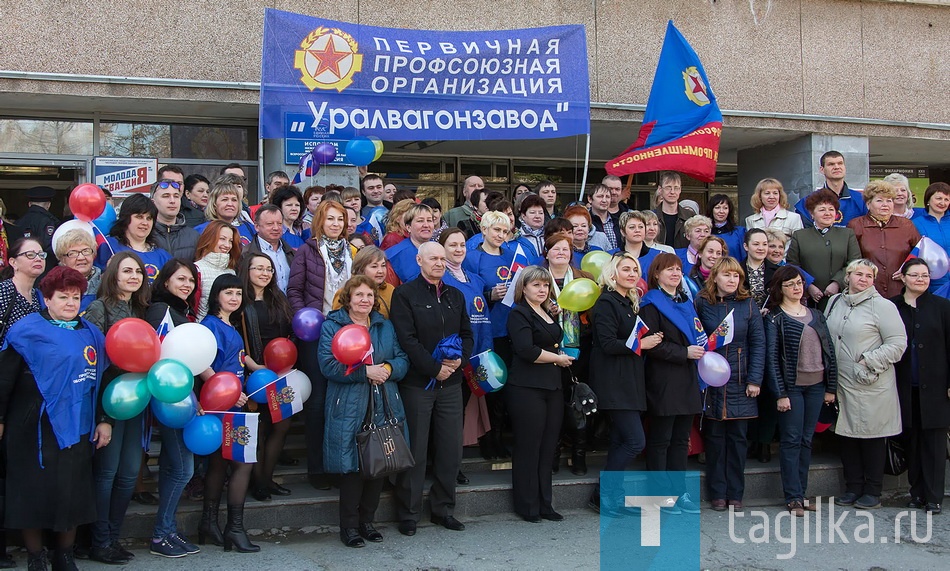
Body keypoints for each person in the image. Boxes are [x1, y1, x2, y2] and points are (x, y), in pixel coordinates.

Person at [0, 266, 110, 571]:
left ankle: (65, 555)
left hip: (78, 425)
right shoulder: (26, 330)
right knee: (31, 492)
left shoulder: (90, 333)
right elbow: (5, 378)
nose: (71, 303)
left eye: (76, 297)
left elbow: (101, 379)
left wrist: (104, 419)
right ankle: (37, 558)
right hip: (32, 424)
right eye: (63, 297)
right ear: (46, 299)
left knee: (71, 492)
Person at [319, 275, 409, 547]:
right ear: (348, 297)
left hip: (383, 400)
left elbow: (402, 359)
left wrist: (387, 370)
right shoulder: (333, 325)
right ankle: (349, 527)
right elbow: (328, 365)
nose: (365, 300)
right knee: (352, 468)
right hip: (348, 403)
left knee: (378, 462)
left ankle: (367, 522)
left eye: (369, 296)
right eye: (359, 295)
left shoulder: (384, 325)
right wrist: (363, 372)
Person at [391, 242, 474, 537]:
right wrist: (433, 368)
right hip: (418, 384)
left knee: (451, 448)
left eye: (442, 258)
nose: (439, 263)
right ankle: (409, 512)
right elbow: (407, 339)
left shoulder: (456, 295)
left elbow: (466, 334)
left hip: (451, 383)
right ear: (419, 260)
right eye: (433, 258)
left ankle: (443, 509)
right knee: (416, 450)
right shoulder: (404, 295)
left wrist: (457, 363)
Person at [83, 252, 151, 564]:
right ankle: (98, 542)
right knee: (107, 473)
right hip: (108, 405)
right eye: (127, 271)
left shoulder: (142, 310)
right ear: (113, 274)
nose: (134, 276)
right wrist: (102, 417)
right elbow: (94, 366)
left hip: (136, 400)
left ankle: (112, 537)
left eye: (138, 271)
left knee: (127, 474)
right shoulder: (98, 309)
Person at [825, 259, 907, 510]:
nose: (863, 279)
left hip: (870, 382)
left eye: (868, 276)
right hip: (841, 383)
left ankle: (873, 490)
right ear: (847, 276)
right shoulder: (834, 301)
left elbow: (898, 343)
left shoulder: (883, 306)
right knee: (847, 436)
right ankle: (853, 487)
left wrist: (868, 361)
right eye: (858, 274)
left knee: (872, 438)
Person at [587, 253, 662, 514]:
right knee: (634, 441)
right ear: (612, 273)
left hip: (629, 382)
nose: (631, 274)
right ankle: (602, 494)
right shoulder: (607, 302)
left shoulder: (627, 302)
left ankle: (611, 498)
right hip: (614, 383)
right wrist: (643, 344)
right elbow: (607, 344)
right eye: (626, 269)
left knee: (621, 441)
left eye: (635, 269)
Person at [764, 265, 838, 517]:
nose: (797, 288)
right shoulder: (774, 317)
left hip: (816, 386)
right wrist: (780, 393)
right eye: (791, 284)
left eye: (799, 283)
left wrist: (831, 386)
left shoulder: (816, 314)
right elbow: (772, 359)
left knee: (807, 441)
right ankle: (793, 496)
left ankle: (802, 493)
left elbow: (829, 351)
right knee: (791, 440)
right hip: (792, 388)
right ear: (780, 288)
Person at [288, 199, 352, 490]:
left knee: (342, 402)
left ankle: (341, 466)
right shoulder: (307, 251)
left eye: (340, 219)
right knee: (317, 402)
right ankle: (317, 468)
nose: (336, 224)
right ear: (319, 222)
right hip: (316, 334)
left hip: (348, 334)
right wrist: (306, 319)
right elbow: (295, 291)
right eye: (330, 219)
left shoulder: (353, 251)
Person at [695, 257, 765, 511]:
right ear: (715, 278)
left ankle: (735, 493)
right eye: (727, 275)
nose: (732, 280)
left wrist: (755, 379)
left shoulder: (748, 304)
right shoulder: (703, 302)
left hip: (741, 379)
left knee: (737, 441)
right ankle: (717, 493)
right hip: (712, 379)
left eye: (736, 276)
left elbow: (758, 343)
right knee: (714, 440)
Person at [505, 266, 573, 523]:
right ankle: (527, 505)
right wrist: (557, 358)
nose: (542, 289)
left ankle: (546, 503)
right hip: (526, 387)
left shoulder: (547, 312)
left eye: (545, 285)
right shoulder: (518, 314)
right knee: (528, 447)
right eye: (536, 285)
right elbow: (526, 350)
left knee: (547, 448)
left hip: (552, 386)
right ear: (524, 288)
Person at [638, 253, 704, 514]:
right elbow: (652, 346)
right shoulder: (650, 305)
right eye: (669, 270)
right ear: (656, 274)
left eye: (678, 269)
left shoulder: (687, 302)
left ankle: (679, 491)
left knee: (680, 440)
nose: (676, 274)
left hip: (687, 378)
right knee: (661, 439)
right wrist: (683, 353)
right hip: (663, 379)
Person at [143, 259, 200, 557]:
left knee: (172, 468)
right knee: (182, 470)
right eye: (180, 279)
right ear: (165, 282)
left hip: (182, 399)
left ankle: (168, 532)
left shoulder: (181, 311)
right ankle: (160, 535)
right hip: (170, 400)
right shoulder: (161, 311)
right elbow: (162, 360)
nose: (187, 284)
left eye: (191, 280)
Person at [197, 274, 257, 553]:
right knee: (242, 464)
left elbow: (240, 360)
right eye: (228, 293)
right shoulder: (210, 325)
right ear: (216, 296)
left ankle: (209, 524)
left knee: (220, 465)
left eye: (238, 293)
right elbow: (204, 363)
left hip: (233, 402)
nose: (234, 298)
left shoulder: (230, 324)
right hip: (222, 404)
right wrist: (227, 392)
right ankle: (234, 528)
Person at [891, 259, 950, 514]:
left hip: (936, 389)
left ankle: (934, 497)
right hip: (903, 387)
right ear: (903, 278)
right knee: (911, 441)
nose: (921, 280)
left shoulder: (942, 307)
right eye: (915, 275)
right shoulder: (892, 307)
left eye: (925, 275)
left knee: (934, 444)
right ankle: (916, 494)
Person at [237, 255, 293, 503]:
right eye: (258, 268)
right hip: (254, 373)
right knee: (258, 428)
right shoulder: (239, 301)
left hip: (280, 372)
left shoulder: (278, 298)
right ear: (246, 270)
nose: (264, 272)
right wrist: (254, 366)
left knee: (281, 425)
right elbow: (237, 339)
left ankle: (268, 478)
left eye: (269, 268)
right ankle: (257, 483)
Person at [439, 229, 492, 481]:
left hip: (476, 353)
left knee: (463, 411)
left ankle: (454, 460)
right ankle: (450, 465)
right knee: (451, 415)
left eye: (462, 245)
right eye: (452, 245)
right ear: (442, 249)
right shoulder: (441, 280)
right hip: (452, 357)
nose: (459, 249)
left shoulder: (475, 279)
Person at [786, 189, 861, 310]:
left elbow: (854, 262)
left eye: (831, 209)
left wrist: (837, 283)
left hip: (842, 297)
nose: (827, 213)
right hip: (809, 299)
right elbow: (792, 264)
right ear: (812, 214)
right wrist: (809, 285)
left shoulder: (847, 234)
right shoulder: (800, 236)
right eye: (822, 210)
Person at [848, 180, 920, 298]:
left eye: (889, 200)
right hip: (867, 291)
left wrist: (907, 268)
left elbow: (919, 252)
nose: (885, 205)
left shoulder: (906, 225)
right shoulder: (856, 225)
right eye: (879, 200)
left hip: (901, 290)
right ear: (868, 204)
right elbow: (851, 259)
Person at [94, 193, 172, 284]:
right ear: (126, 218)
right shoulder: (108, 247)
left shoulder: (163, 256)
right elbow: (93, 284)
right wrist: (107, 273)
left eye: (149, 218)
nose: (145, 223)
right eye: (139, 217)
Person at [794, 150, 867, 226]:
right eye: (831, 164)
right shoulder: (807, 202)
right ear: (822, 170)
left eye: (840, 163)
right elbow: (806, 234)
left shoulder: (861, 200)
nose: (836, 167)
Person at [0, 238, 45, 345]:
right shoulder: (3, 291)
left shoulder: (38, 296)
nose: (38, 258)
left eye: (41, 255)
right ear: (13, 262)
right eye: (30, 255)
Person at [193, 221, 241, 319]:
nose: (227, 245)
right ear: (209, 238)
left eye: (230, 241)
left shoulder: (231, 272)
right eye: (222, 239)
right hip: (202, 329)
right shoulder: (196, 269)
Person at [244, 205, 295, 293]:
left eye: (279, 224)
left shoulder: (292, 253)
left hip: (289, 305)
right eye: (270, 224)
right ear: (256, 226)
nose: (276, 228)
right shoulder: (246, 254)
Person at [332, 246, 395, 318]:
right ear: (361, 269)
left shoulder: (390, 289)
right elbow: (337, 320)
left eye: (383, 266)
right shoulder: (346, 291)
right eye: (374, 266)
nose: (380, 271)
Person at [195, 175, 256, 247]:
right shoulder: (201, 230)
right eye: (224, 199)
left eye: (234, 200)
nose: (230, 204)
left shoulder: (250, 228)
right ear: (214, 204)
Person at [911, 182, 950, 292]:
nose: (942, 203)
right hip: (929, 283)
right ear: (928, 200)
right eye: (938, 198)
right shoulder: (916, 223)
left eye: (946, 199)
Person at [152, 179, 200, 262]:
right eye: (166, 196)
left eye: (176, 196)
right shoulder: (145, 234)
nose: (172, 201)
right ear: (153, 202)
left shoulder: (194, 236)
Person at [386, 204, 436, 283]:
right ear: (408, 227)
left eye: (429, 220)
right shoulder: (394, 256)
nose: (426, 225)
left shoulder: (440, 251)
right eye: (420, 221)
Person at [54, 229, 101, 311]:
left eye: (86, 251)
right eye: (73, 253)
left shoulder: (106, 284)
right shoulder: (53, 285)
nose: (81, 257)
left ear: (94, 255)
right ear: (62, 260)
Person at [18, 186, 61, 266]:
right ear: (48, 205)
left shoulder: (19, 221)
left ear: (29, 204)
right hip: (43, 267)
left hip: (23, 266)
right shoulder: (48, 221)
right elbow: (49, 246)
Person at [652, 172, 695, 249]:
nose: (672, 192)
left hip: (683, 259)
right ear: (660, 190)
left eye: (676, 188)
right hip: (657, 259)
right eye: (668, 187)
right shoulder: (652, 217)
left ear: (680, 190)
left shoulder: (690, 216)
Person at [741, 228, 779, 310]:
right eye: (756, 244)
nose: (761, 248)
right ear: (746, 246)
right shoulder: (736, 270)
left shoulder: (777, 272)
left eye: (764, 244)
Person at [614, 211, 660, 276]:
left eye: (641, 227)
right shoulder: (611, 256)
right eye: (632, 227)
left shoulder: (658, 256)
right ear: (622, 232)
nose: (637, 230)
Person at [707, 194, 746, 262]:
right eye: (717, 207)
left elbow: (744, 256)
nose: (721, 211)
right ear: (711, 210)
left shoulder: (740, 232)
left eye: (725, 208)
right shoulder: (706, 232)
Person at [271, 185, 308, 249]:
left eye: (297, 205)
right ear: (279, 207)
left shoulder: (300, 234)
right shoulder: (274, 234)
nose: (294, 208)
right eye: (289, 205)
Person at [588, 184, 620, 251]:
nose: (604, 200)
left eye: (608, 197)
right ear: (590, 199)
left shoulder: (618, 221)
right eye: (600, 196)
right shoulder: (585, 222)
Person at [517, 194, 548, 258]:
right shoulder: (517, 237)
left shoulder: (550, 235)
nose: (537, 216)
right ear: (523, 216)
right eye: (532, 212)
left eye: (541, 213)